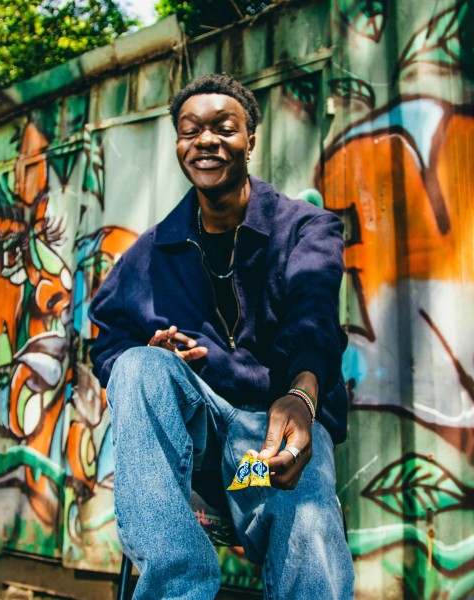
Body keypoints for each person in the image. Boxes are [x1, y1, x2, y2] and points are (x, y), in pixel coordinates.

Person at [89, 73, 355, 599]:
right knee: (140, 365)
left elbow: (314, 316)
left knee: (305, 520)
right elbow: (107, 344)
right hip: (201, 455)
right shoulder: (150, 252)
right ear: (179, 144)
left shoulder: (304, 228)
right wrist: (150, 353)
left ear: (250, 139)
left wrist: (301, 394)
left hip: (272, 442)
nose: (206, 140)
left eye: (223, 128)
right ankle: (179, 588)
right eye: (190, 130)